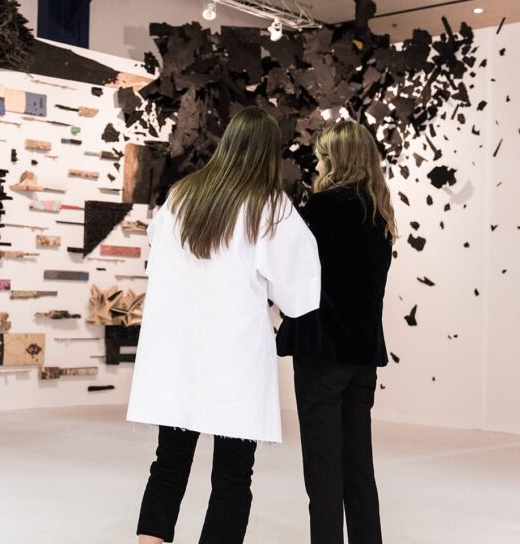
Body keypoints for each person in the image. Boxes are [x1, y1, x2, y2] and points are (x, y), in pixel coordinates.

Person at [127, 106, 322, 544]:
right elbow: (301, 294)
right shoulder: (270, 207)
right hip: (235, 356)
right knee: (233, 473)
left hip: (178, 350)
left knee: (169, 462)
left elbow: (155, 259)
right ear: (268, 153)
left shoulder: (181, 196)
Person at [277, 120, 397, 544]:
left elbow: (294, 276)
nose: (317, 162)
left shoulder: (323, 208)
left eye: (323, 154)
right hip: (362, 359)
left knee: (323, 475)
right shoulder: (379, 213)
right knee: (358, 471)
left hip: (322, 353)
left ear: (335, 159)